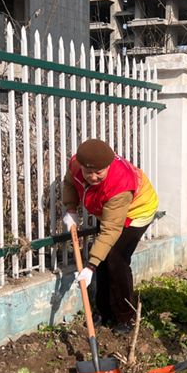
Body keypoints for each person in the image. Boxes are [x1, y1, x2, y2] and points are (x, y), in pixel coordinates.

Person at [62, 139, 159, 334]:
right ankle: (102, 310)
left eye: (99, 172)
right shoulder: (75, 165)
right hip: (109, 211)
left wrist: (90, 265)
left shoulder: (119, 183)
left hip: (137, 211)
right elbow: (70, 184)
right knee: (104, 258)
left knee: (115, 259)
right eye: (88, 172)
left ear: (109, 165)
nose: (93, 177)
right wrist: (71, 209)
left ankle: (125, 316)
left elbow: (110, 231)